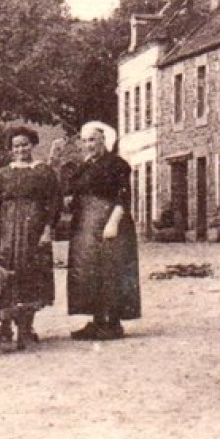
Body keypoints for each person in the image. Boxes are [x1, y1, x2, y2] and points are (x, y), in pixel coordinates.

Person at [64, 121, 140, 341]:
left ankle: (113, 323)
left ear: (103, 141)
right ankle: (97, 321)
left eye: (93, 140)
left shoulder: (117, 165)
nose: (89, 145)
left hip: (110, 226)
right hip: (85, 228)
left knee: (111, 272)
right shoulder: (83, 168)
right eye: (85, 140)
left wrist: (114, 222)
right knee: (89, 273)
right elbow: (74, 195)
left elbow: (124, 197)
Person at [0, 127, 62, 346]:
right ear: (11, 149)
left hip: (33, 231)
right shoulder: (3, 173)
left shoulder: (43, 172)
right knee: (4, 275)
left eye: (24, 145)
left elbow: (54, 203)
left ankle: (26, 327)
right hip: (7, 233)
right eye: (16, 146)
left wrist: (47, 230)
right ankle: (5, 326)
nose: (20, 149)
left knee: (31, 275)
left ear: (32, 146)